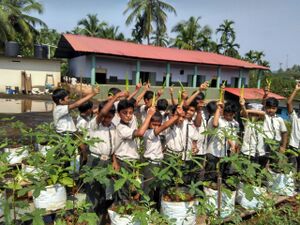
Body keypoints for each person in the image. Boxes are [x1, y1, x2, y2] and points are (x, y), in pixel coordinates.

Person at [86, 91, 127, 216]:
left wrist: (114, 161)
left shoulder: (113, 127)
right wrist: (115, 97)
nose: (106, 119)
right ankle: (90, 218)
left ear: (113, 116)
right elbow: (103, 112)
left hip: (108, 161)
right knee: (93, 191)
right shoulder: (94, 124)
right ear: (98, 114)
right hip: (95, 161)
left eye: (109, 117)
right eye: (104, 116)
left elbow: (112, 147)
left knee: (107, 191)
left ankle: (102, 216)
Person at [114, 99, 156, 200]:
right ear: (118, 114)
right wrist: (149, 116)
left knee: (134, 189)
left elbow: (137, 107)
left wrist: (151, 104)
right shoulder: (121, 128)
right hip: (124, 162)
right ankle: (124, 211)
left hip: (133, 162)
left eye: (130, 113)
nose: (128, 115)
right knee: (125, 190)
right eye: (124, 113)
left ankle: (130, 209)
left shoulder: (131, 120)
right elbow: (140, 133)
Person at [142, 107, 182, 205]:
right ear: (148, 123)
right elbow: (164, 126)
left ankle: (156, 207)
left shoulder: (156, 134)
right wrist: (176, 116)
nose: (156, 126)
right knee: (148, 189)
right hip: (150, 165)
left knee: (158, 188)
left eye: (158, 124)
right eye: (153, 124)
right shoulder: (149, 133)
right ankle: (146, 210)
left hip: (158, 163)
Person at [205, 101, 239, 181]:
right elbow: (215, 124)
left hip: (225, 152)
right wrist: (218, 108)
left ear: (234, 114)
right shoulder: (218, 119)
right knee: (210, 172)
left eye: (230, 115)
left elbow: (234, 136)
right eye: (226, 114)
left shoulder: (235, 123)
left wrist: (234, 147)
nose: (227, 117)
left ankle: (218, 188)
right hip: (213, 150)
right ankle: (207, 188)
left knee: (222, 173)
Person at [263, 97, 288, 169]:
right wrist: (265, 96)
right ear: (265, 107)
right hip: (265, 142)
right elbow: (261, 107)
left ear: (276, 109)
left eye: (273, 108)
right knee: (264, 160)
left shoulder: (279, 119)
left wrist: (283, 146)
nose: (271, 110)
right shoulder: (263, 116)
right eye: (269, 108)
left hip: (276, 144)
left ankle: (270, 176)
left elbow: (284, 133)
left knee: (274, 162)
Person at [287, 83, 300, 179]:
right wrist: (296, 90)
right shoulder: (295, 118)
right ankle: (291, 189)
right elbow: (288, 103)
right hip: (293, 147)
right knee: (291, 170)